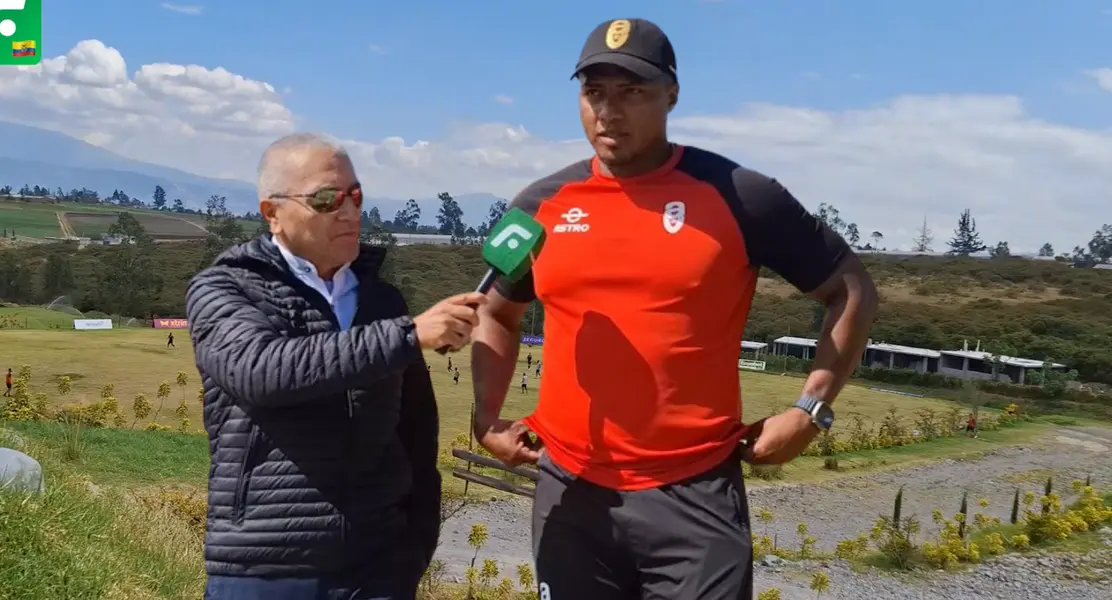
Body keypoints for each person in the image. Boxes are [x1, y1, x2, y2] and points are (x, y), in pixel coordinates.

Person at [470, 18, 879, 600]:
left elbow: (852, 288)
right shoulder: (539, 204)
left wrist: (810, 409)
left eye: (632, 91)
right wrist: (486, 417)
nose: (609, 111)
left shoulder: (741, 195)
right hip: (569, 491)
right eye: (594, 93)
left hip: (694, 495)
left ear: (672, 95)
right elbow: (495, 311)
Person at [188, 133, 486, 600]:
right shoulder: (224, 288)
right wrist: (408, 335)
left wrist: (413, 549)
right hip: (264, 571)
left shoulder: (381, 300)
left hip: (378, 571)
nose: (348, 213)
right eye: (325, 199)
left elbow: (416, 435)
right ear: (273, 212)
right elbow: (261, 371)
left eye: (355, 196)